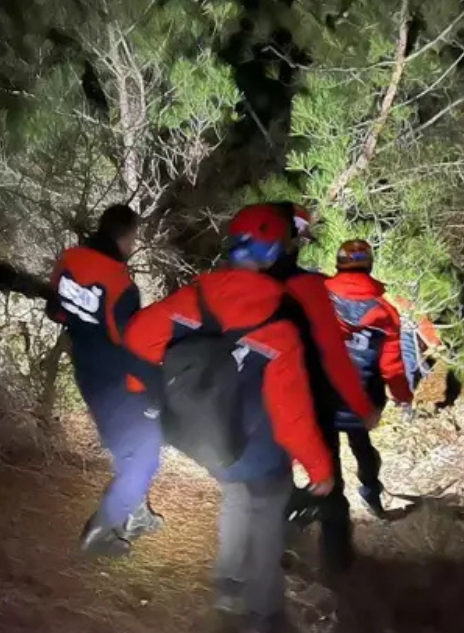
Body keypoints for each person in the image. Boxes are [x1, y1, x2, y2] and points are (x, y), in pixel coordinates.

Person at [125, 204, 335, 633]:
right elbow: (291, 410)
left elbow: (138, 336)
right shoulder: (279, 317)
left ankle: (227, 587)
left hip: (212, 442)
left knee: (236, 497)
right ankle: (263, 614)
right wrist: (319, 468)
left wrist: (142, 394)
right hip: (261, 449)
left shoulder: (196, 298)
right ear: (273, 251)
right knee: (266, 520)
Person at [262, 203, 379, 573]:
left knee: (268, 481)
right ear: (290, 241)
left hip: (258, 403)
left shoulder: (238, 284)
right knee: (329, 480)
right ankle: (337, 566)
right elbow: (333, 354)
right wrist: (361, 406)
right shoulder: (310, 288)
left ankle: (269, 556)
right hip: (309, 398)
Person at [47, 204, 163, 558]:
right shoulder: (120, 284)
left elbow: (55, 310)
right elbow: (131, 344)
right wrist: (154, 387)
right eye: (133, 239)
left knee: (127, 442)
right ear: (126, 237)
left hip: (84, 368)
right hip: (115, 380)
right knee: (144, 452)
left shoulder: (69, 260)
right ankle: (102, 530)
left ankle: (136, 513)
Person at [325, 239, 415, 520]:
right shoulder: (386, 312)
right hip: (363, 398)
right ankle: (372, 495)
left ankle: (330, 512)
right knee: (362, 447)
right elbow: (392, 366)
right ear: (370, 265)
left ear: (338, 264)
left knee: (327, 454)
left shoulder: (319, 300)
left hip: (323, 395)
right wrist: (403, 397)